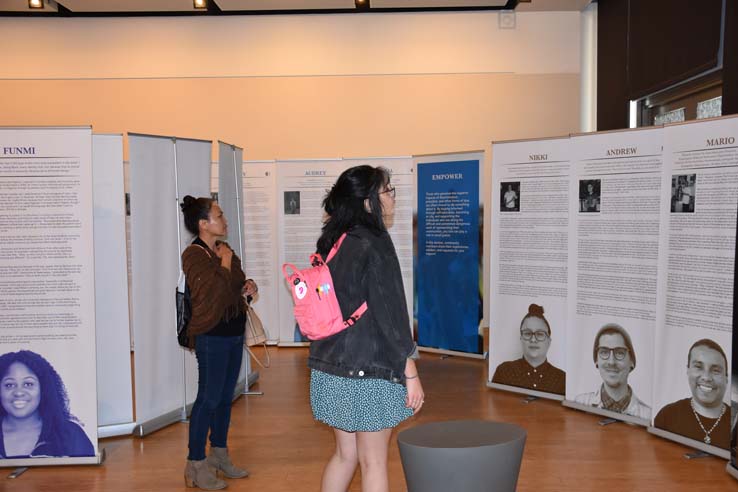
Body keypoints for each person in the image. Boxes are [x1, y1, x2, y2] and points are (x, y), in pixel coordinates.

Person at [308, 165, 423, 492]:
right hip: (369, 370)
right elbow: (391, 312)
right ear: (368, 201)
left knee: (345, 456)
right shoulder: (375, 242)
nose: (393, 198)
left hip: (329, 366)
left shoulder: (333, 240)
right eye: (388, 191)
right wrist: (409, 368)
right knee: (373, 461)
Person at [180, 195, 258, 490]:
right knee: (208, 399)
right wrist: (225, 264)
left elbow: (236, 284)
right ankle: (195, 463)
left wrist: (249, 285)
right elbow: (212, 296)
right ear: (203, 224)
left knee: (225, 398)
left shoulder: (225, 250)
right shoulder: (194, 255)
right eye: (218, 215)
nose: (224, 219)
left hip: (233, 332)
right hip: (211, 336)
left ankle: (219, 455)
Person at [0, 350, 94, 458]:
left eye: (28, 384)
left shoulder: (70, 435)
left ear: (44, 389)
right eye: (9, 385)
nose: (19, 392)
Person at [654, 339, 730, 449]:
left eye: (716, 370)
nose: (706, 377)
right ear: (688, 371)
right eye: (699, 367)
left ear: (726, 378)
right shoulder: (667, 416)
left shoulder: (735, 426)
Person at [574, 324, 650, 419]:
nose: (611, 362)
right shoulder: (580, 403)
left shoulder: (648, 415)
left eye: (619, 353)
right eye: (604, 352)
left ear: (632, 361)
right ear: (596, 360)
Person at [491, 304, 565, 395]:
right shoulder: (504, 371)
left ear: (549, 341)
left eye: (540, 334)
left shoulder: (562, 379)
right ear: (521, 339)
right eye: (527, 333)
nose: (533, 340)